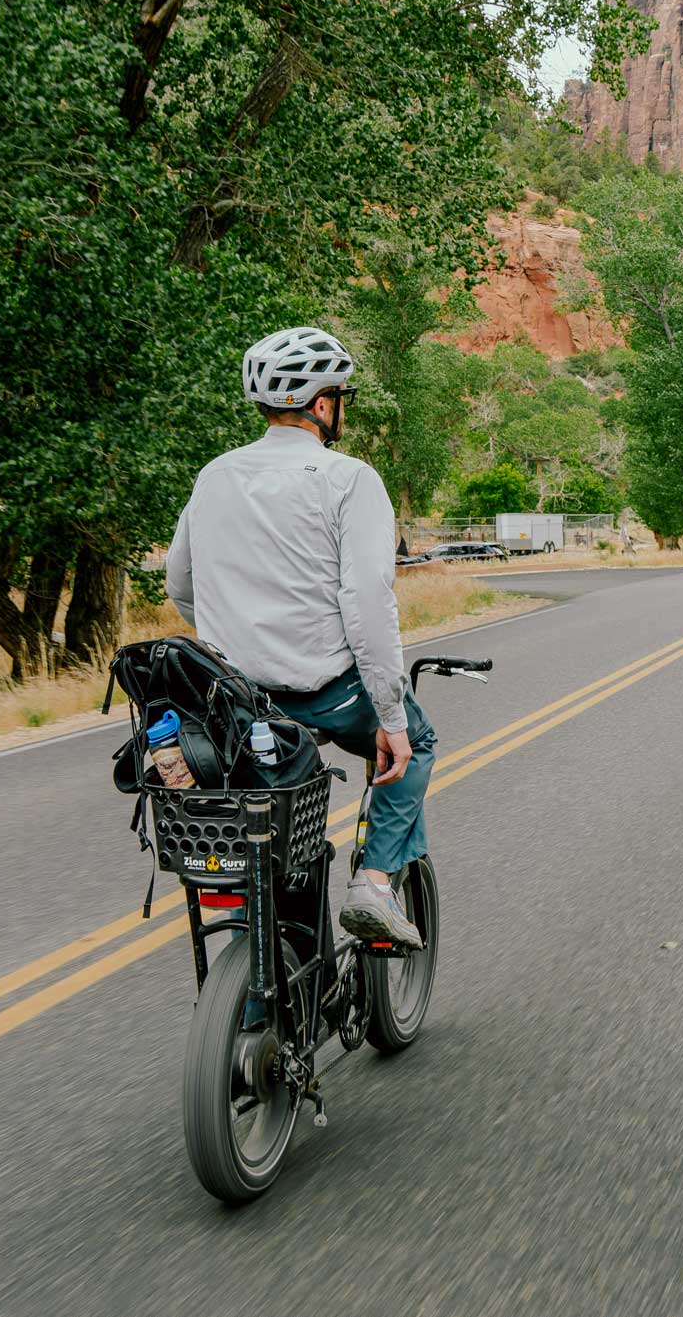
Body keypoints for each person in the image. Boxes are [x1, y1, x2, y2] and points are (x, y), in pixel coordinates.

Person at [166, 326, 435, 949]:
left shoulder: (214, 476)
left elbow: (180, 581)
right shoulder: (350, 479)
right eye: (340, 397)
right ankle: (374, 883)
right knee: (415, 742)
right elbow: (368, 606)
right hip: (325, 696)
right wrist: (390, 715)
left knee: (278, 817)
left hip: (235, 702)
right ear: (321, 404)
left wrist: (238, 637)